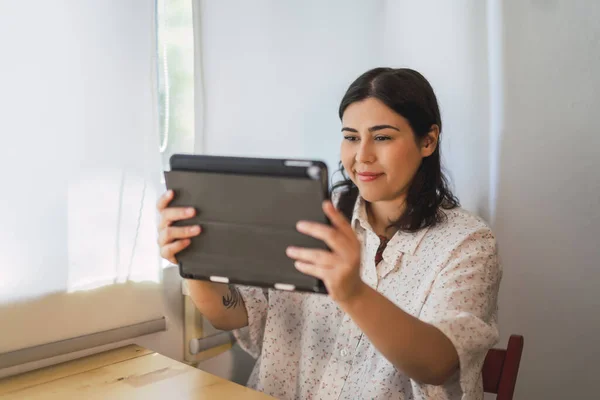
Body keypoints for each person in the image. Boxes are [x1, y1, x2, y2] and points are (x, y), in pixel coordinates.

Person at [156, 67, 501, 400]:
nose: (362, 156)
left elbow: (438, 364)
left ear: (428, 140)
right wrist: (194, 259)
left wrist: (352, 292)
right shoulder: (311, 213)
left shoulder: (467, 242)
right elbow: (234, 311)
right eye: (351, 137)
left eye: (382, 137)